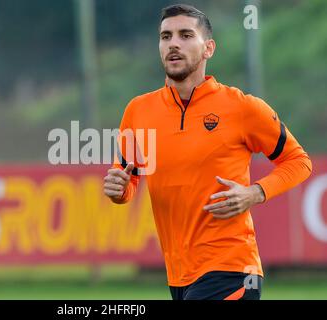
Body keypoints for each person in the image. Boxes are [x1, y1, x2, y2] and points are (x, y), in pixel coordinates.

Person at [103, 3, 312, 300]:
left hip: (233, 269)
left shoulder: (242, 108)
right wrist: (117, 190)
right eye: (166, 36)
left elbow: (298, 161)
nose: (173, 43)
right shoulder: (138, 111)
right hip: (178, 276)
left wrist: (254, 193)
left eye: (186, 35)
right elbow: (127, 183)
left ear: (208, 48)